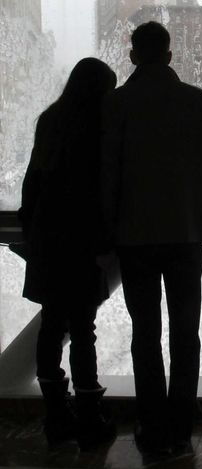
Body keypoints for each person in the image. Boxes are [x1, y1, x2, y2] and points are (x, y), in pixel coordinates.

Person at [100, 21, 202, 455]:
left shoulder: (116, 105)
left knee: (146, 331)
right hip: (186, 231)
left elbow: (107, 174)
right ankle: (181, 422)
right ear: (170, 56)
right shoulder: (198, 101)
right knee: (184, 330)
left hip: (135, 235)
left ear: (133, 55)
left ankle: (151, 420)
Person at [19, 57, 118, 449]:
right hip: (82, 241)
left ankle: (56, 418)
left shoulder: (50, 121)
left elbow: (34, 183)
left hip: (48, 239)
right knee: (82, 330)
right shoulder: (99, 127)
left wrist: (32, 235)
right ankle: (90, 418)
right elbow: (102, 189)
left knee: (51, 325)